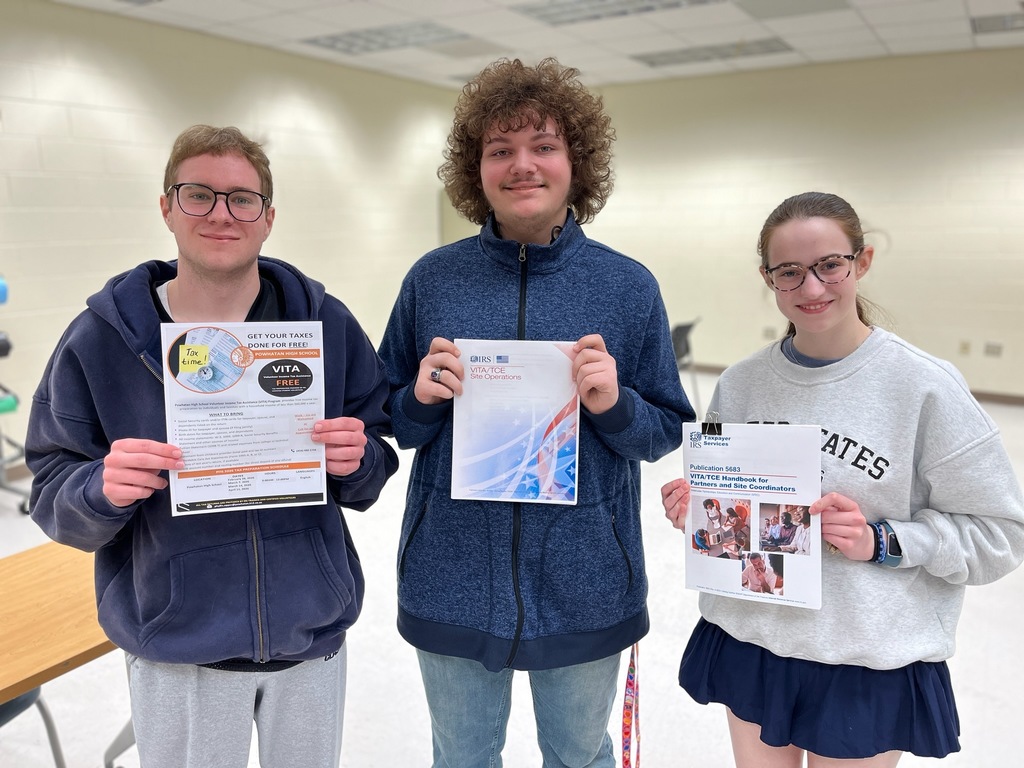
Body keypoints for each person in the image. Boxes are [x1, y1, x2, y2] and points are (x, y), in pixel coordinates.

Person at [25, 125, 399, 768]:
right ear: (167, 207)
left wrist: (356, 459)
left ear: (268, 217)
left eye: (242, 198)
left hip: (307, 633)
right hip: (177, 640)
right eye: (198, 195)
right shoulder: (99, 340)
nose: (222, 213)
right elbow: (51, 486)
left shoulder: (324, 325)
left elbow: (376, 453)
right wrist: (100, 489)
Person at [377, 58, 693, 767]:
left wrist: (614, 406)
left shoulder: (627, 286)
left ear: (576, 162)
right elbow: (388, 419)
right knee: (461, 758)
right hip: (450, 574)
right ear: (476, 169)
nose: (523, 165)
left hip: (586, 582)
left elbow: (666, 427)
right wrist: (421, 398)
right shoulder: (433, 279)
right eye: (500, 150)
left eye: (543, 146)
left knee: (579, 758)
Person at [661, 191, 1024, 767]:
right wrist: (704, 518)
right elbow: (742, 527)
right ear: (768, 278)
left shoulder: (925, 387)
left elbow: (1000, 535)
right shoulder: (742, 384)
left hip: (864, 656)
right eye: (789, 272)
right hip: (756, 640)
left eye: (830, 265)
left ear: (863, 261)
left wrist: (882, 540)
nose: (812, 288)